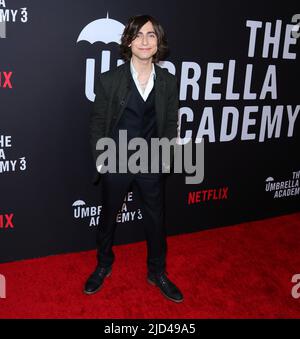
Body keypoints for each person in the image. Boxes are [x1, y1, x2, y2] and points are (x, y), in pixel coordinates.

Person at [84, 14, 183, 303]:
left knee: (156, 220)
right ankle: (103, 264)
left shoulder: (168, 82)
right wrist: (102, 159)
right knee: (108, 218)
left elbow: (170, 123)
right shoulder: (109, 80)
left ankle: (157, 272)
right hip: (115, 157)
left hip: (151, 159)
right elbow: (98, 121)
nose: (144, 41)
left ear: (158, 42)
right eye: (138, 35)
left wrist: (166, 157)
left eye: (151, 35)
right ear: (128, 40)